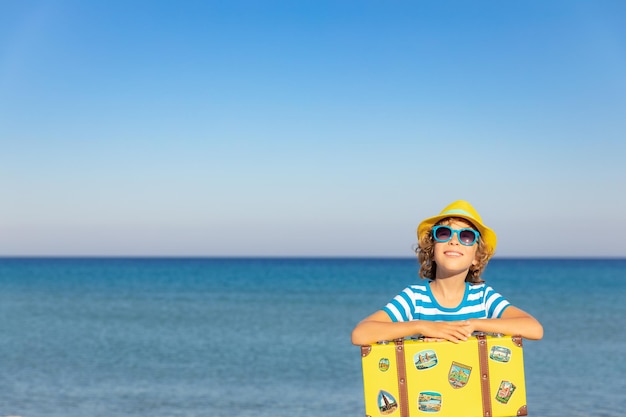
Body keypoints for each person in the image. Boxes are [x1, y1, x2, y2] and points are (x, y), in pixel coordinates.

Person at [351, 200, 543, 346]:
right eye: (444, 233)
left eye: (466, 236)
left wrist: (472, 324)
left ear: (476, 257)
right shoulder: (415, 299)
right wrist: (423, 326)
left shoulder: (483, 297)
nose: (454, 240)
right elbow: (360, 333)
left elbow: (534, 328)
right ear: (431, 250)